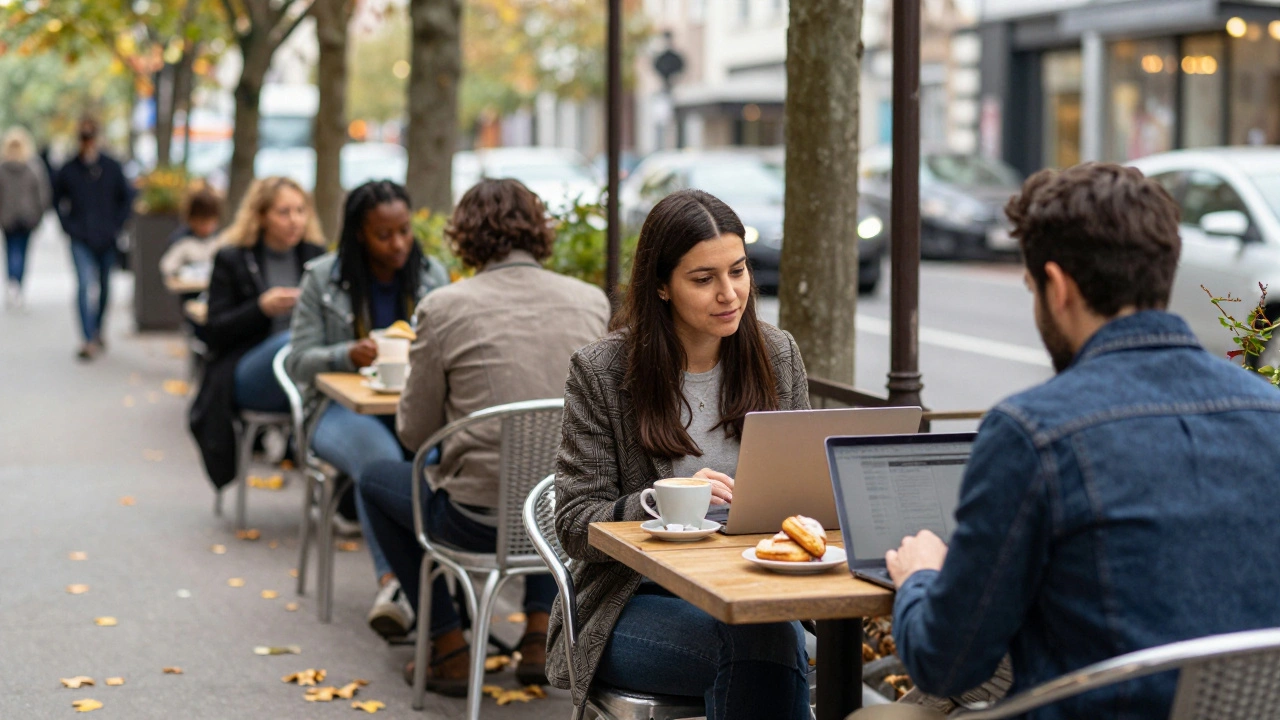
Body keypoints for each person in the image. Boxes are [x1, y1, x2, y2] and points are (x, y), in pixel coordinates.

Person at [874, 163, 1280, 720]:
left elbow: (947, 664)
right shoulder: (1271, 413)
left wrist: (920, 575)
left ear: (1058, 287)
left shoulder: (1032, 433)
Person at [549, 189, 813, 719]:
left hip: (756, 589)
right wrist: (660, 502)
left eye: (738, 271)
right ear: (662, 287)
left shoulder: (776, 354)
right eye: (703, 279)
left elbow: (807, 494)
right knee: (765, 650)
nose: (729, 293)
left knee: (769, 644)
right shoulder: (603, 372)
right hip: (635, 601)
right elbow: (575, 522)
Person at [357, 178, 611, 695]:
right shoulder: (590, 303)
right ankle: (540, 634)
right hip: (565, 521)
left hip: (474, 524)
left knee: (372, 479)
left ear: (465, 236)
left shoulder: (444, 307)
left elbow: (413, 432)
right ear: (539, 231)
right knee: (547, 478)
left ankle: (448, 644)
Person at [286, 180, 449, 640]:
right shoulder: (322, 277)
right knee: (379, 466)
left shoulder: (430, 274)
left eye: (404, 231)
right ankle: (396, 584)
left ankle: (434, 578)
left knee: (433, 461)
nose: (398, 244)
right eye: (384, 235)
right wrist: (344, 355)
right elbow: (297, 360)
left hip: (414, 410)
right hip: (340, 409)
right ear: (359, 233)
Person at [188, 176, 325, 491]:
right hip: (248, 369)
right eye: (284, 212)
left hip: (307, 376)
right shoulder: (233, 258)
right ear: (261, 215)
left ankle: (339, 497)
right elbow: (213, 331)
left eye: (300, 211)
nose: (295, 221)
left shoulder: (316, 256)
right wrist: (260, 308)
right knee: (295, 344)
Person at [52, 116, 134, 359]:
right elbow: (57, 200)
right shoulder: (69, 169)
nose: (88, 143)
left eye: (91, 137)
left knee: (105, 287)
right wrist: (68, 226)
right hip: (80, 237)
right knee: (84, 284)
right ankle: (87, 338)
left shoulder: (112, 167)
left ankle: (97, 330)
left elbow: (126, 198)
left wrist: (117, 225)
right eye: (83, 138)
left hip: (107, 237)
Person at [0, 126, 51, 309]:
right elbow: (42, 193)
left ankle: (13, 283)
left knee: (11, 251)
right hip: (26, 216)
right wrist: (40, 213)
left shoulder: (3, 167)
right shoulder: (32, 166)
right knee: (21, 252)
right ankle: (17, 285)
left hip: (8, 217)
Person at [159, 184, 222, 283]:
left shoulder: (220, 240)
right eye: (202, 223)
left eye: (211, 222)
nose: (207, 227)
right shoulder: (181, 241)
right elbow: (167, 267)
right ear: (191, 220)